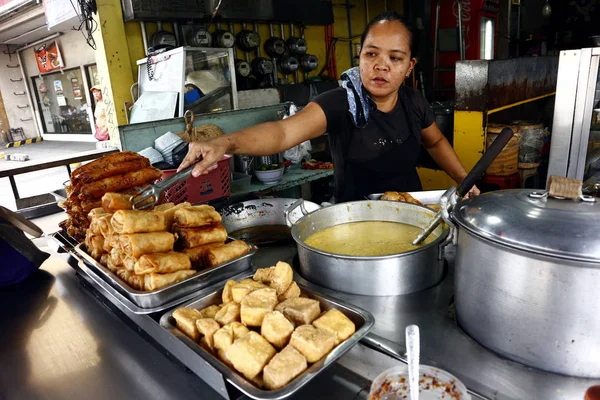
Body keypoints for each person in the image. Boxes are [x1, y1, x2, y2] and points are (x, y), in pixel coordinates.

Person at [179, 12, 479, 202]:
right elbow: (283, 133)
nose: (381, 66)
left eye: (395, 58)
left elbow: (436, 141)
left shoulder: (414, 102)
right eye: (371, 54)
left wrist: (463, 180)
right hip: (354, 220)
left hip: (411, 212)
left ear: (410, 66)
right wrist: (225, 141)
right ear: (359, 56)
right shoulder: (341, 103)